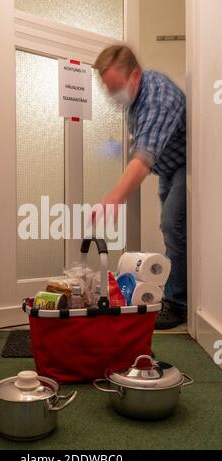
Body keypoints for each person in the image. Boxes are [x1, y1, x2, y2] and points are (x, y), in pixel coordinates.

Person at [94, 44, 187, 330]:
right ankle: (175, 294)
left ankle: (178, 304)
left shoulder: (159, 97)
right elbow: (145, 140)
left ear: (135, 75)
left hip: (188, 165)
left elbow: (144, 158)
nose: (113, 96)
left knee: (172, 225)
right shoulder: (135, 97)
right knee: (172, 231)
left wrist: (111, 200)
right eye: (108, 90)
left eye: (116, 88)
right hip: (167, 168)